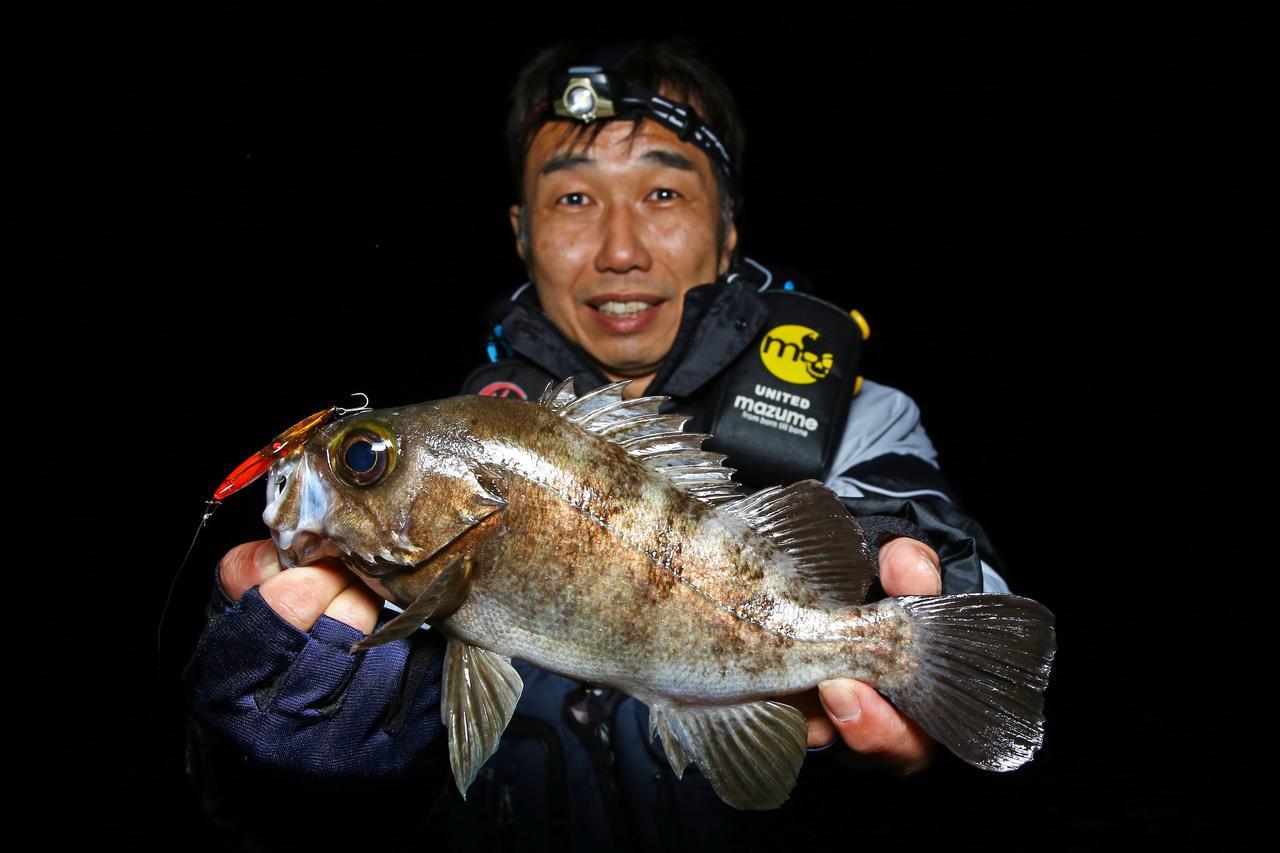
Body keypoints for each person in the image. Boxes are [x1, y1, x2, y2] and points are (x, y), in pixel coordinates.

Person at [184, 40, 1012, 851]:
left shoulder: (864, 418)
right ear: (521, 231)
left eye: (662, 191)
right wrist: (278, 765)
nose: (620, 249)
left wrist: (891, 560)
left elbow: (941, 537)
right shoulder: (470, 415)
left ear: (728, 230)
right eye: (574, 199)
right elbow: (248, 815)